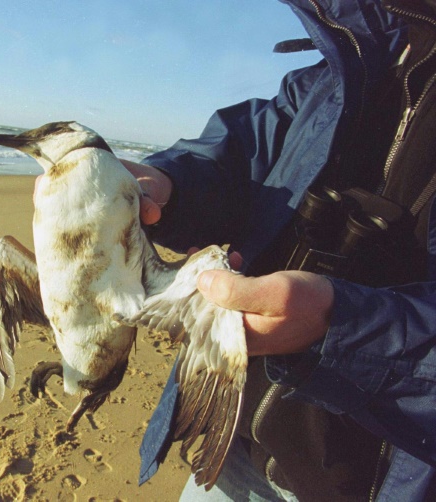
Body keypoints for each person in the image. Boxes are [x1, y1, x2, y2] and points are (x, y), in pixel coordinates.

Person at [120, 0, 436, 500]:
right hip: (231, 442)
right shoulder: (357, 56)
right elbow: (245, 152)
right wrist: (167, 183)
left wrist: (341, 326)